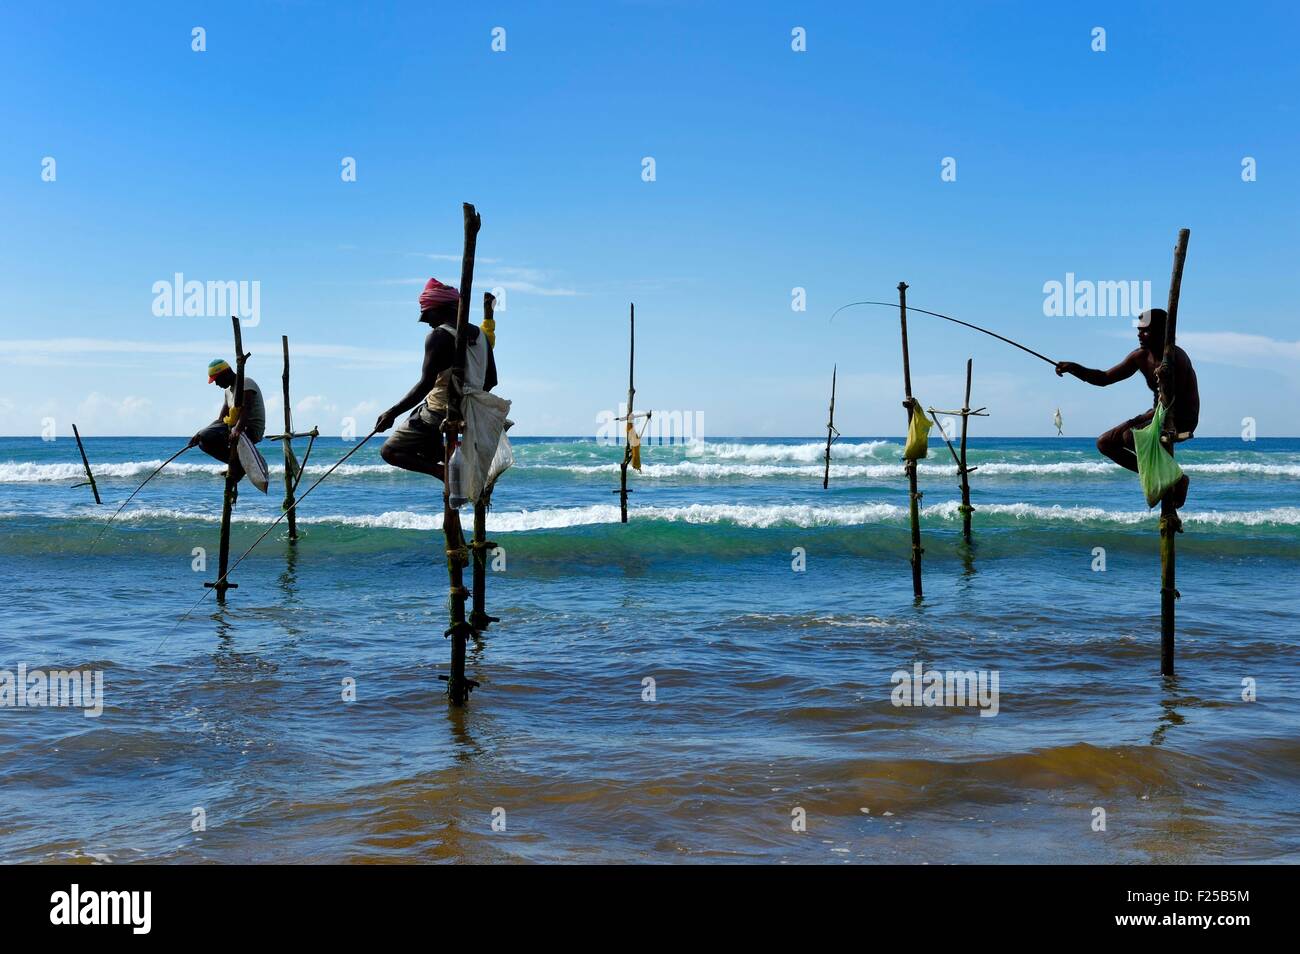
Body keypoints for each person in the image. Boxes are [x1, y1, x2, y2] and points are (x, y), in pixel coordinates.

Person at [1055, 308, 1198, 507]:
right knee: (1104, 443)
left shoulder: (1176, 358)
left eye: (1145, 331)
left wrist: (1165, 378)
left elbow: (1174, 401)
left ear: (1161, 332)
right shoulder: (1140, 356)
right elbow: (1104, 378)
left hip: (1180, 417)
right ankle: (1168, 475)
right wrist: (1074, 368)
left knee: (1131, 436)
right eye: (1138, 330)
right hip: (1156, 414)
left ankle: (1178, 479)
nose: (1139, 335)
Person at [375, 278, 498, 479]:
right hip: (473, 410)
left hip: (440, 410)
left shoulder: (439, 336)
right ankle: (458, 465)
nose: (429, 322)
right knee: (428, 449)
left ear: (442, 308)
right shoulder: (482, 336)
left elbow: (425, 385)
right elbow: (491, 380)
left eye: (429, 315)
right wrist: (468, 400)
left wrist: (392, 413)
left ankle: (444, 473)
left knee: (389, 451)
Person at [189, 358, 267, 487]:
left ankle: (239, 466)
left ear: (226, 373)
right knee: (203, 442)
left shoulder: (246, 383)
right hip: (233, 427)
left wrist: (237, 429)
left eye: (217, 380)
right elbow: (221, 419)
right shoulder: (227, 392)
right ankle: (237, 465)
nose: (216, 384)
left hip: (249, 428)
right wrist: (199, 433)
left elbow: (246, 409)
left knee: (206, 435)